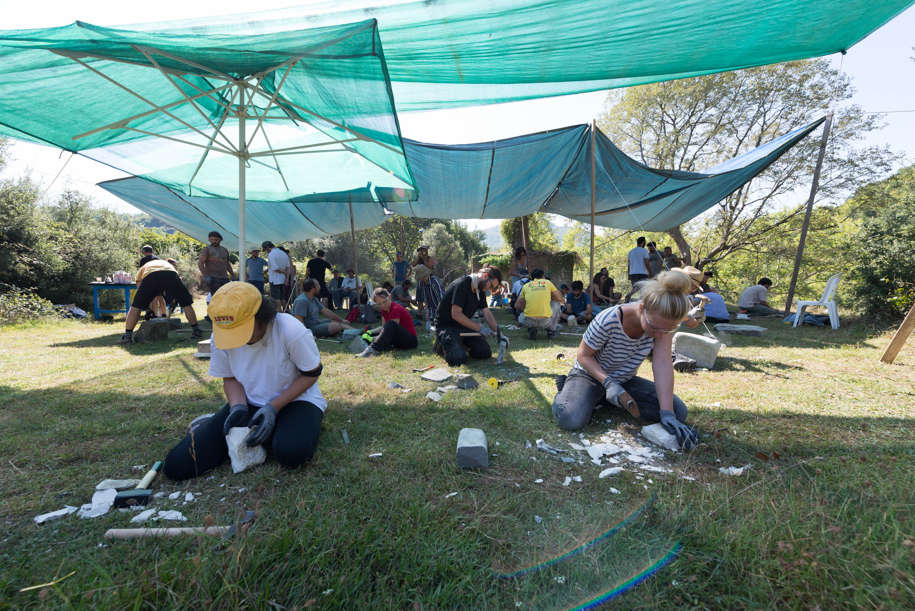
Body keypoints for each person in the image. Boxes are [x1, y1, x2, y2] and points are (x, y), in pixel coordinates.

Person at [162, 282, 325, 480]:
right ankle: (257, 429)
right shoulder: (221, 335)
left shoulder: (290, 330)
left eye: (243, 330)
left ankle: (284, 427)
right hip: (249, 401)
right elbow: (229, 377)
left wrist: (273, 408)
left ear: (262, 316)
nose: (237, 341)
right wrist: (237, 407)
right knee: (177, 465)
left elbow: (311, 373)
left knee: (292, 453)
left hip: (297, 399)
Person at [551, 271, 699, 450]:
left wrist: (667, 412)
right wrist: (609, 383)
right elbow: (583, 356)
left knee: (678, 412)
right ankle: (567, 389)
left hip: (624, 380)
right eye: (654, 328)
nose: (659, 335)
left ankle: (603, 399)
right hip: (589, 375)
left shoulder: (663, 323)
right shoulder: (609, 319)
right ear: (642, 309)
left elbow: (662, 363)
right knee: (570, 419)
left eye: (666, 331)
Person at [433, 266, 505, 366]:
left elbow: (486, 312)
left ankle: (458, 343)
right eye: (491, 286)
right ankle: (442, 344)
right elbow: (456, 314)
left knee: (484, 352)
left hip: (463, 326)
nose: (490, 289)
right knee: (457, 359)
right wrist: (480, 328)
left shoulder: (480, 289)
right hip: (447, 326)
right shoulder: (462, 284)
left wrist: (499, 333)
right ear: (485, 276)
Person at [120, 258, 201, 344]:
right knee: (186, 304)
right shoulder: (167, 265)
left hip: (151, 276)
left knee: (135, 307)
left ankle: (127, 336)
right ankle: (196, 330)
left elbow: (139, 288)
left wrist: (144, 303)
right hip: (171, 274)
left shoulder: (143, 268)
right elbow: (178, 282)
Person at [358, 288, 419, 357]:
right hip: (398, 340)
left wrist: (375, 339)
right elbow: (383, 328)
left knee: (390, 324)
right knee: (369, 336)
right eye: (379, 304)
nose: (383, 305)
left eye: (384, 302)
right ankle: (381, 347)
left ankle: (372, 350)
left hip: (410, 341)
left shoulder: (395, 309)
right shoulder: (384, 310)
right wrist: (370, 332)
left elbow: (390, 332)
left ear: (389, 297)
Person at [516, 268, 564, 340]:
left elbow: (517, 305)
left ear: (532, 278)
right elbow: (561, 299)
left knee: (524, 310)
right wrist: (551, 297)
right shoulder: (547, 283)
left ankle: (532, 328)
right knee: (556, 303)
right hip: (545, 322)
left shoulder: (526, 286)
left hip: (528, 321)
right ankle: (551, 331)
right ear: (543, 276)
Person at [414, 245, 443, 329]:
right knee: (421, 297)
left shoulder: (429, 259)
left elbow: (441, 300)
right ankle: (423, 315)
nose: (422, 252)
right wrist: (429, 318)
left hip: (440, 311)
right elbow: (413, 265)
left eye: (423, 250)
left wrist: (423, 259)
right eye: (420, 250)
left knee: (436, 298)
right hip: (433, 310)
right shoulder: (418, 259)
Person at [198, 231, 233, 296]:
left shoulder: (225, 250)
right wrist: (206, 276)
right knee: (217, 297)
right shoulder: (206, 249)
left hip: (225, 277)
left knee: (227, 296)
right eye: (211, 240)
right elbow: (200, 263)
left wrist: (232, 274)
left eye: (216, 239)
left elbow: (227, 264)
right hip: (213, 278)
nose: (214, 241)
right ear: (209, 240)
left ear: (220, 239)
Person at [262, 241, 290, 310]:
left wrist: (283, 272)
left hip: (274, 280)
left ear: (268, 247)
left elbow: (275, 268)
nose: (266, 252)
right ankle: (286, 311)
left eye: (265, 250)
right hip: (283, 279)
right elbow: (288, 267)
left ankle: (279, 314)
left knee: (276, 299)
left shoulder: (271, 254)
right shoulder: (283, 253)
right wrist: (286, 278)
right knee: (282, 298)